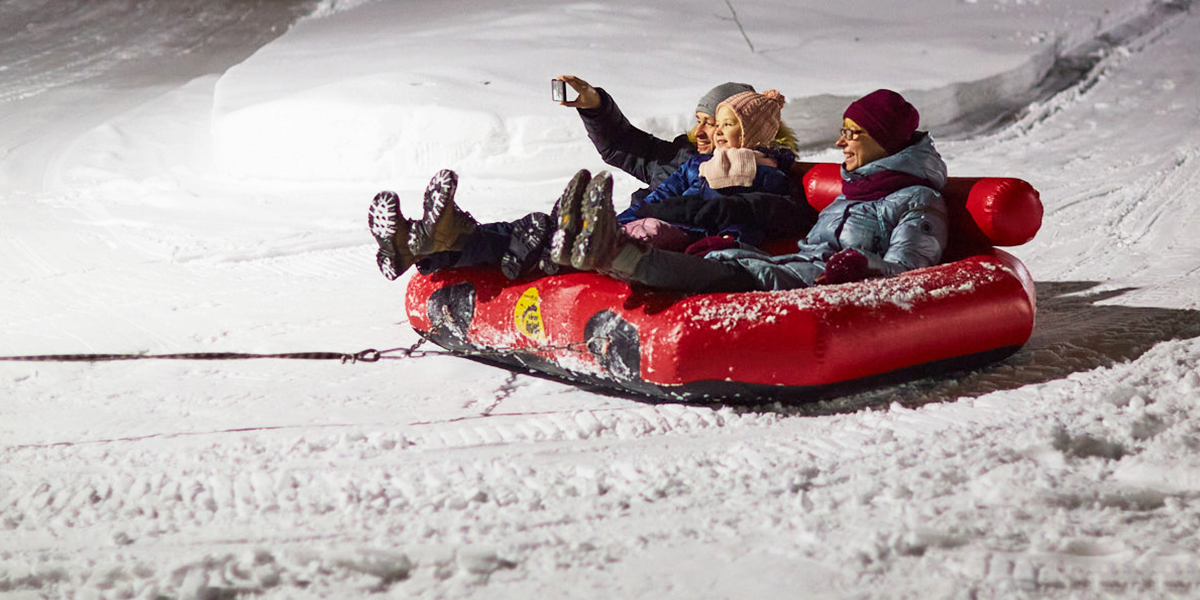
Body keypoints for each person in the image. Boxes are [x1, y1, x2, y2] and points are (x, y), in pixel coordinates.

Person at [368, 79, 806, 281]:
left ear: (745, 131)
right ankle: (437, 239)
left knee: (550, 239)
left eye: (718, 123)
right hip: (630, 223)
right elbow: (625, 144)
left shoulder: (761, 173)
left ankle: (453, 242)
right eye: (701, 122)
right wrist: (594, 104)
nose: (707, 132)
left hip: (673, 238)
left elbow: (762, 214)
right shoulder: (682, 159)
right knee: (538, 227)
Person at [548, 89, 949, 293]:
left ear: (884, 139)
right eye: (842, 132)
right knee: (728, 258)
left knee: (729, 269)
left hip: (818, 282)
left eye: (853, 134)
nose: (841, 143)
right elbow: (632, 148)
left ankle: (615, 253)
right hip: (799, 266)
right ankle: (588, 244)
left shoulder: (917, 201)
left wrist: (860, 264)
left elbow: (909, 272)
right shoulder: (853, 191)